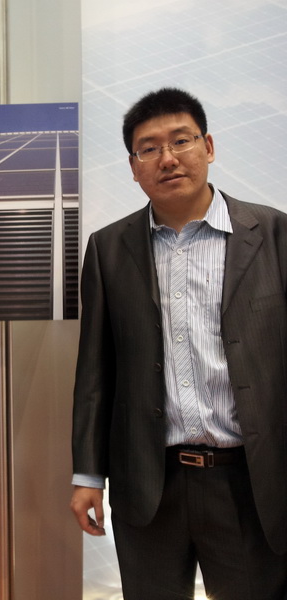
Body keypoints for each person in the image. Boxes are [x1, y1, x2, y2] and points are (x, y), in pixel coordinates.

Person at [70, 87, 287, 599]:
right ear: (133, 167)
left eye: (181, 141)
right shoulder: (108, 249)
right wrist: (87, 475)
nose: (167, 158)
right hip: (150, 481)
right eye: (149, 148)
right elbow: (95, 372)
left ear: (208, 146)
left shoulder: (275, 234)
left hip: (251, 481)